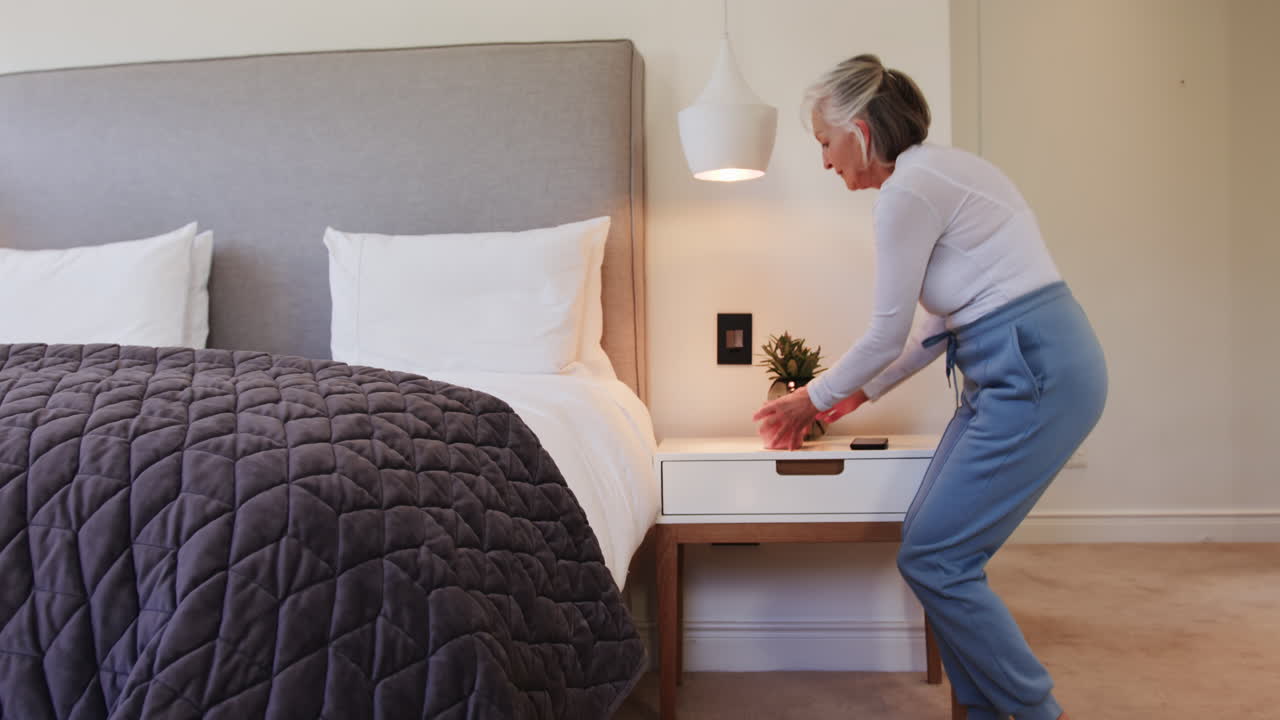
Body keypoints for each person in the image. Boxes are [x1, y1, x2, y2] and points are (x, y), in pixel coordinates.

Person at [752, 54, 1107, 720]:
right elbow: (940, 321)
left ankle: (1034, 712)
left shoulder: (910, 192)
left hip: (1035, 369)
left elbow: (887, 334)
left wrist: (813, 398)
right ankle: (979, 710)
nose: (826, 162)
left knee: (938, 555)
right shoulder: (935, 174)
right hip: (1013, 364)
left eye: (825, 143)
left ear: (859, 131)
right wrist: (863, 392)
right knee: (930, 544)